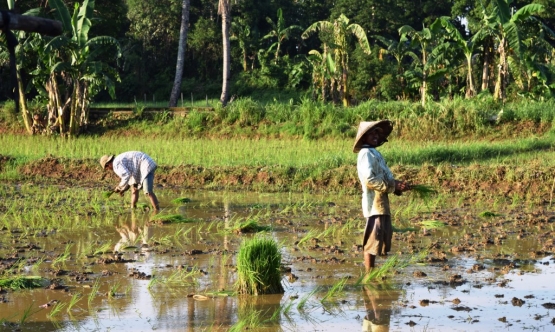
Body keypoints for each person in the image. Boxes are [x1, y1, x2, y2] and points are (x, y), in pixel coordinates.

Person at [354, 120, 410, 272]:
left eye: (376, 133)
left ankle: (371, 271)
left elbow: (383, 176)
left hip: (381, 201)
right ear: (364, 137)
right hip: (374, 203)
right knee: (373, 237)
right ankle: (368, 272)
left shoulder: (374, 153)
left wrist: (397, 187)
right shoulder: (365, 154)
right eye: (371, 133)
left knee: (380, 236)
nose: (375, 136)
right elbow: (370, 179)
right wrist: (393, 185)